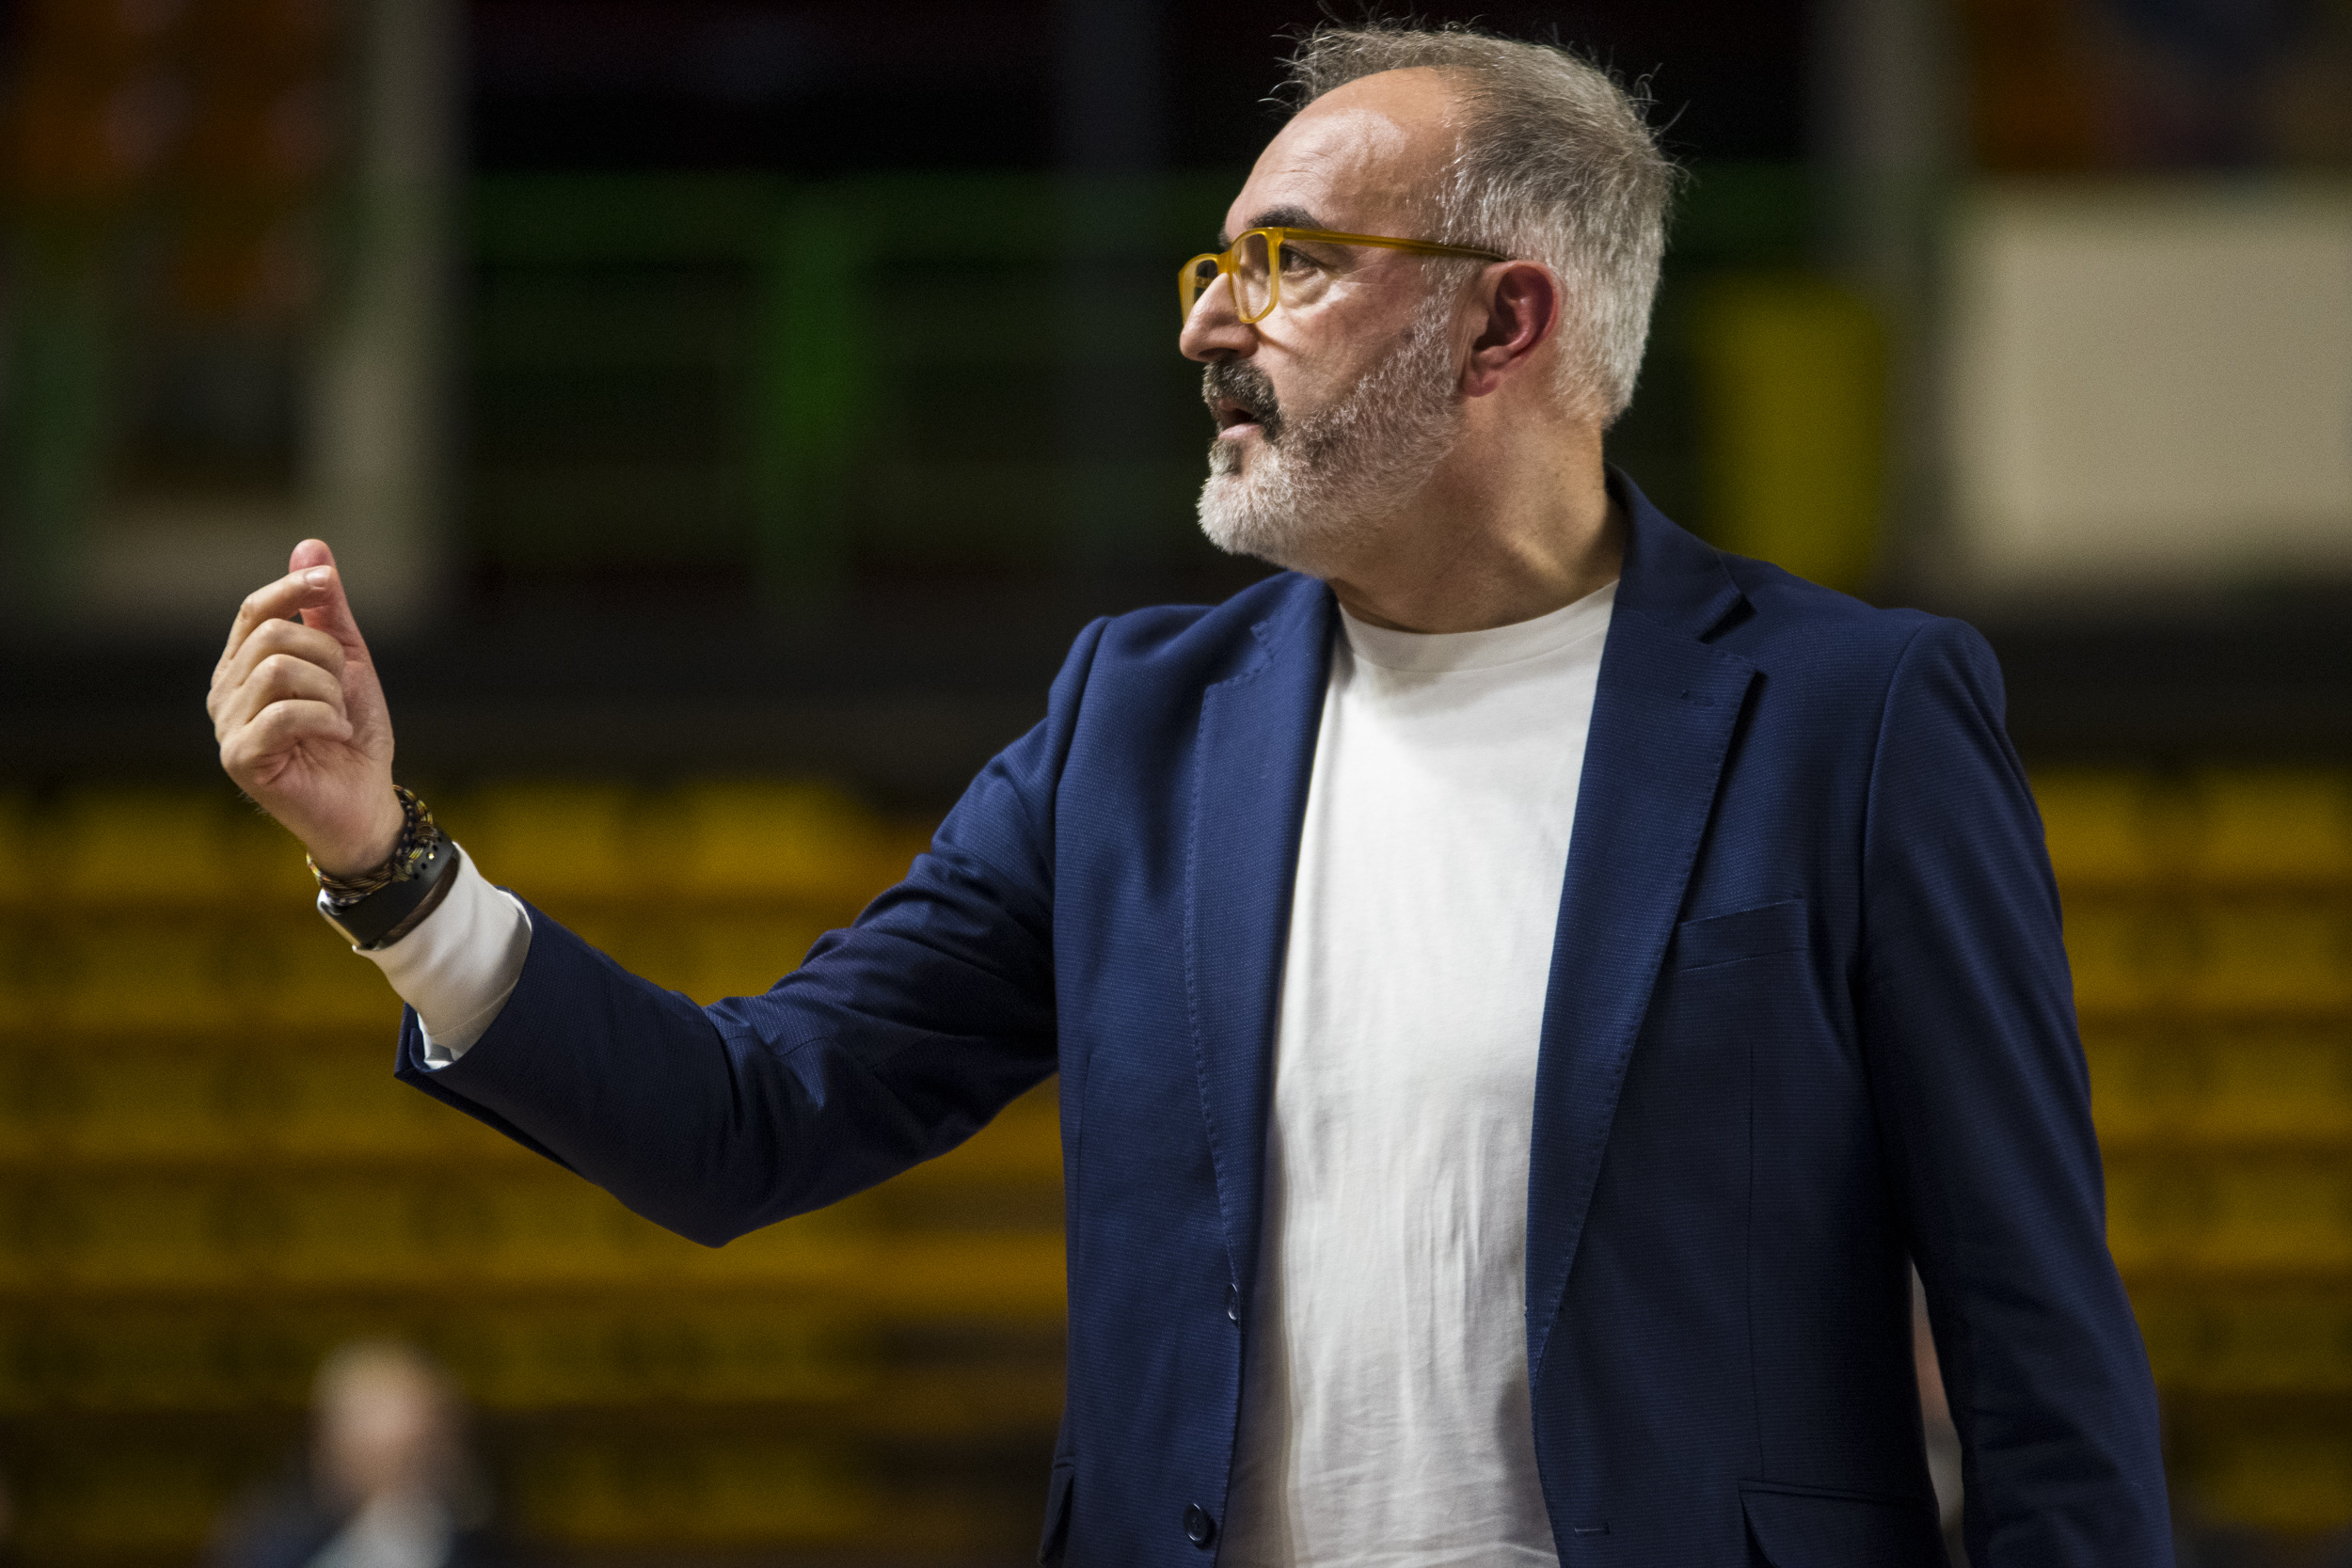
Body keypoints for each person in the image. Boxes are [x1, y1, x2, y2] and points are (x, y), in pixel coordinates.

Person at [206, 22, 2171, 1568]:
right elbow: (752, 1117)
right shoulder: (1132, 725)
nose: (1205, 321)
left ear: (1506, 321)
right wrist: (390, 865)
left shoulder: (1851, 715)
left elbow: (2037, 1354)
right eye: (1215, 262)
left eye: (1287, 263)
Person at [209, 1341, 498, 1568]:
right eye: (374, 1458)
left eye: (414, 1457)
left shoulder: (486, 1548)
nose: (394, 1487)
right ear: (326, 1449)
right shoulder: (270, 1540)